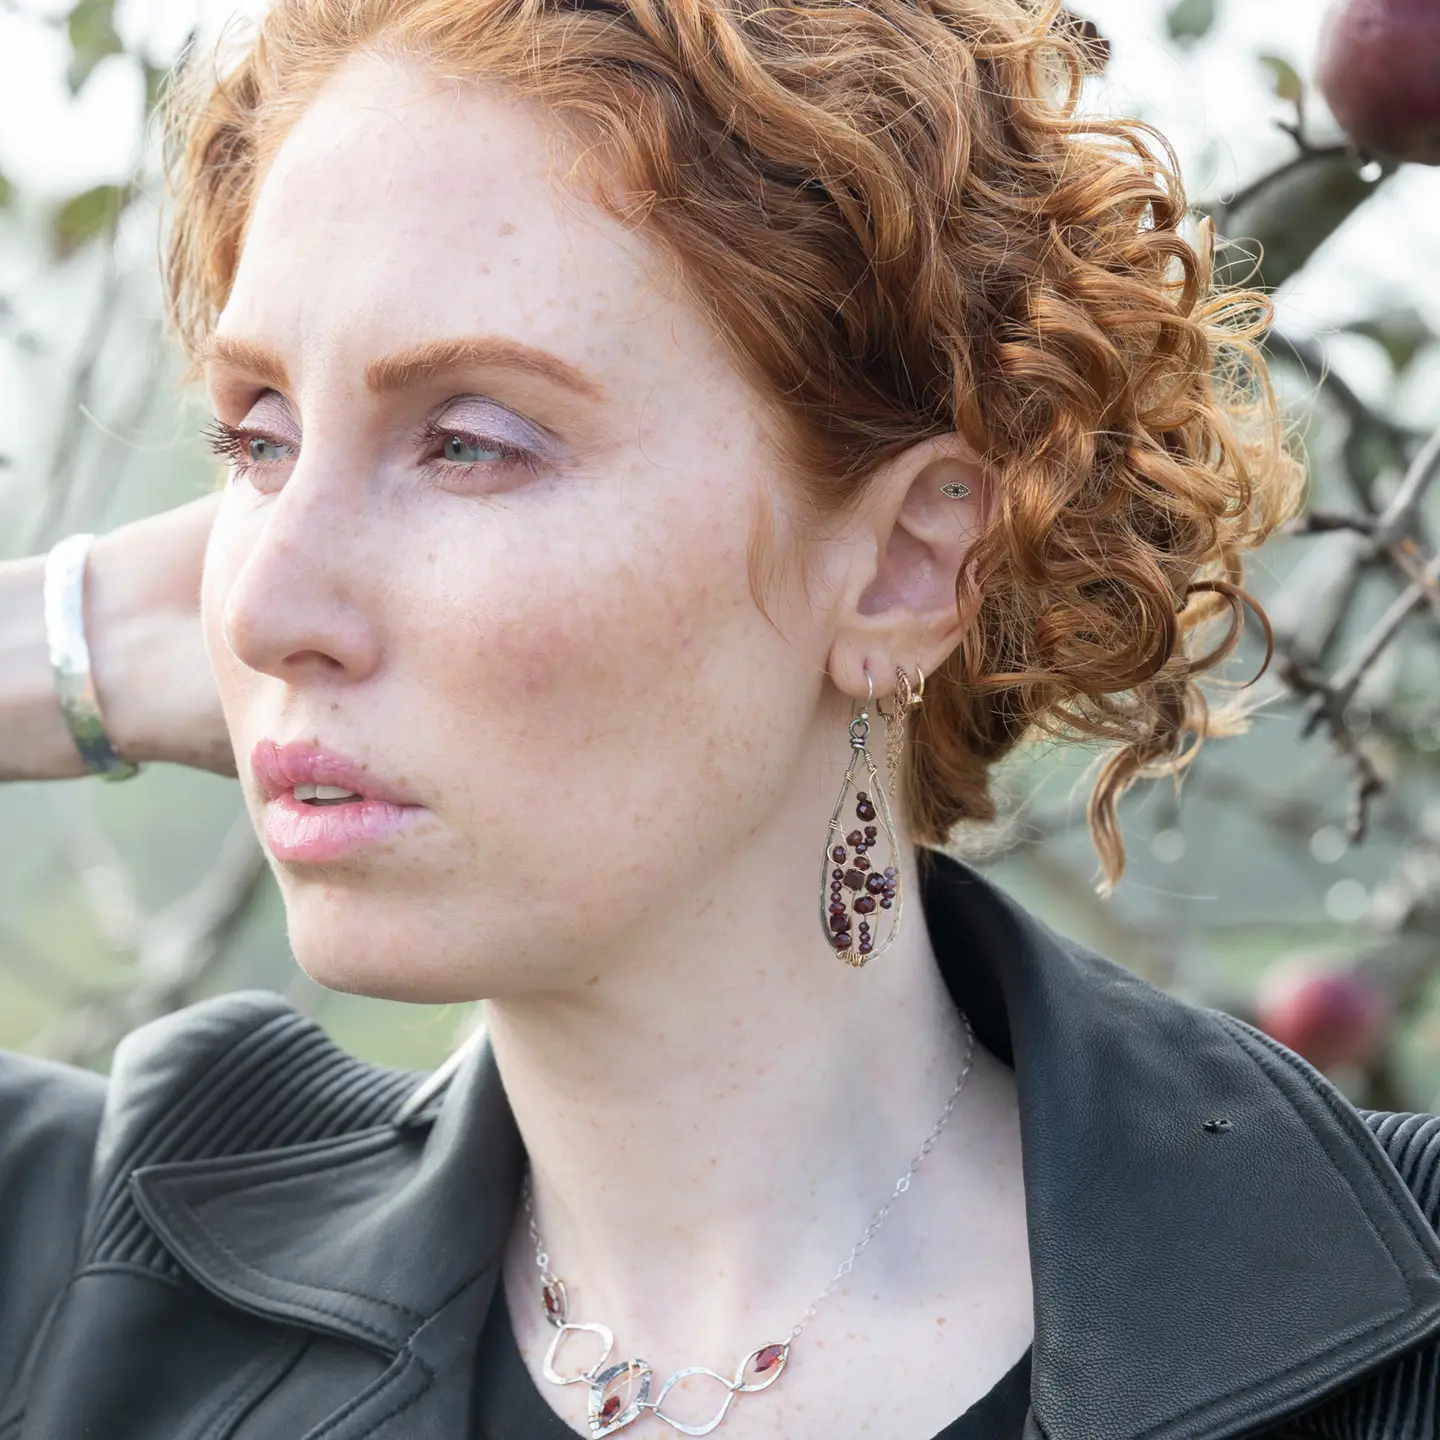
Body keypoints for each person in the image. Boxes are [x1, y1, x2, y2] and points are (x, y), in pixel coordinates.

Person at [2, 0, 1438, 1435]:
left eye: (468, 443)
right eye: (256, 436)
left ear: (901, 564)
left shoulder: (1395, 1319)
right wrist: (82, 648)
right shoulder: (92, 1273)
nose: (255, 608)